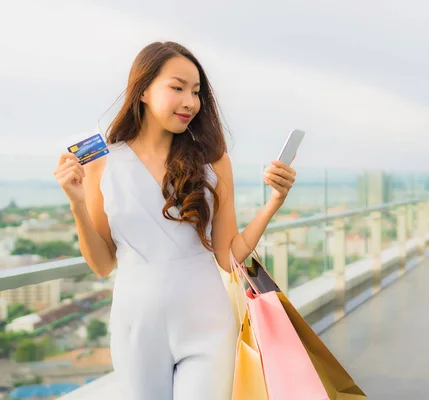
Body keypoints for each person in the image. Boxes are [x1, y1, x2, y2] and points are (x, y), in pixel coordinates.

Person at [53, 41, 297, 399]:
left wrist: (274, 201)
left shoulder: (213, 160)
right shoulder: (102, 162)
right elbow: (102, 264)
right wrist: (76, 204)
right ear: (144, 90)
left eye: (196, 92)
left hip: (207, 321)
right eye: (178, 87)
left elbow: (229, 258)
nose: (190, 102)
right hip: (136, 326)